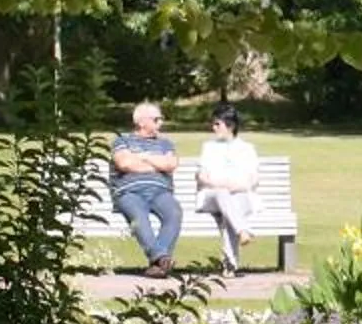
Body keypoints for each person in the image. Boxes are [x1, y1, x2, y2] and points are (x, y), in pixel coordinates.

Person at [108, 100, 183, 277]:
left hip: (160, 191)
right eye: (157, 119)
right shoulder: (122, 141)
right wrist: (157, 163)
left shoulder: (165, 144)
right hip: (129, 192)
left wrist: (143, 157)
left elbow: (170, 164)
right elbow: (125, 163)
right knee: (139, 217)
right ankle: (161, 258)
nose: (161, 123)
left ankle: (158, 263)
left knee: (174, 213)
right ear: (142, 122)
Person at [191, 103, 263, 273]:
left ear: (231, 125)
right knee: (223, 194)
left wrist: (236, 186)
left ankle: (229, 266)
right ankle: (242, 230)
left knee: (231, 210)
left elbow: (253, 179)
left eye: (218, 124)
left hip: (239, 195)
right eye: (213, 123)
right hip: (212, 196)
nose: (213, 127)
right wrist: (219, 185)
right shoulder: (208, 147)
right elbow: (201, 176)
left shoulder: (247, 149)